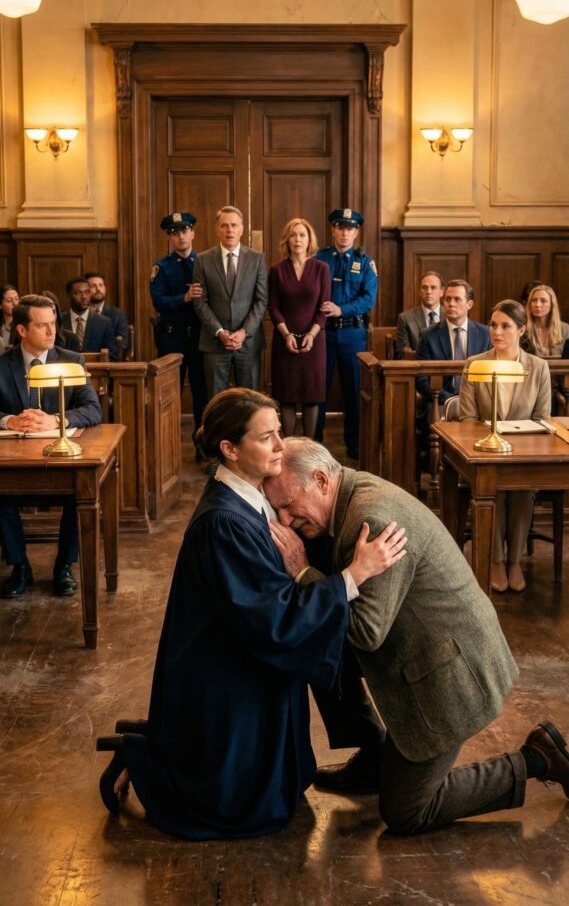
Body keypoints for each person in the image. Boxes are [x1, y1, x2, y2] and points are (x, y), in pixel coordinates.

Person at [94, 388, 404, 839]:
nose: (281, 445)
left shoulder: (252, 498)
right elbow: (272, 620)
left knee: (284, 785)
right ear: (230, 449)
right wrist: (352, 577)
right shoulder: (223, 522)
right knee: (243, 809)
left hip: (245, 653)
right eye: (266, 437)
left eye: (279, 432)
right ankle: (141, 760)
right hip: (227, 674)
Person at [264, 438, 569, 835]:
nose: (285, 521)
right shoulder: (347, 496)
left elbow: (365, 632)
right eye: (277, 510)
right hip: (429, 650)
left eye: (288, 505)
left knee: (406, 810)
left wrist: (302, 571)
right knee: (313, 640)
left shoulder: (369, 519)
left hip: (451, 673)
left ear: (321, 480)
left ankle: (537, 758)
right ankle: (375, 757)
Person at [0, 295, 102, 599]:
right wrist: (9, 421)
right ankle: (20, 567)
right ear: (21, 330)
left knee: (80, 493)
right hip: (15, 460)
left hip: (61, 458)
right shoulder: (2, 364)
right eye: (42, 325)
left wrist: (55, 419)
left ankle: (63, 567)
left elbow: (93, 410)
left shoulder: (72, 361)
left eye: (53, 323)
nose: (51, 331)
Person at [459, 300, 551, 593]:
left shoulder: (538, 367)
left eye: (505, 326)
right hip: (484, 453)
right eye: (493, 325)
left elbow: (542, 419)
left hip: (523, 455)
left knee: (523, 491)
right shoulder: (475, 364)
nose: (497, 332)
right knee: (493, 489)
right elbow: (467, 419)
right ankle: (496, 560)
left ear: (521, 330)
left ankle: (515, 561)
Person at [315, 208, 378, 460]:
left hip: (353, 333)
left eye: (349, 228)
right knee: (318, 390)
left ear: (356, 233)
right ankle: (315, 443)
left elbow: (368, 299)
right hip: (323, 333)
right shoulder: (320, 258)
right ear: (333, 230)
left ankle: (354, 445)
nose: (344, 233)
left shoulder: (365, 262)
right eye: (340, 227)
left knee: (354, 392)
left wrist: (342, 309)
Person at [193, 206, 268, 398]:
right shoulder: (202, 260)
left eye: (234, 225)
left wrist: (244, 332)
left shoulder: (257, 259)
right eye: (224, 225)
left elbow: (261, 301)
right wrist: (219, 332)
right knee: (216, 400)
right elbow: (200, 302)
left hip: (248, 343)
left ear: (242, 229)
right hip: (215, 343)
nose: (229, 230)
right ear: (217, 230)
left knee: (249, 400)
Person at [149, 212, 207, 454]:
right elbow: (158, 301)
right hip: (171, 338)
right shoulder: (161, 267)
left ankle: (203, 447)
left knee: (202, 393)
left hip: (200, 337)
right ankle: (167, 448)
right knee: (169, 393)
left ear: (192, 233)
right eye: (175, 233)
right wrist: (184, 298)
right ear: (169, 238)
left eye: (185, 231)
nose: (181, 237)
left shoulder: (204, 262)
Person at [268, 217, 330, 438]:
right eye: (293, 235)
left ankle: (308, 448)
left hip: (314, 341)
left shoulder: (322, 268)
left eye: (302, 235)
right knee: (287, 398)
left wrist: (311, 335)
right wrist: (286, 334)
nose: (297, 239)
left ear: (309, 240)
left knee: (311, 397)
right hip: (285, 341)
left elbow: (324, 308)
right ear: (287, 239)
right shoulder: (277, 270)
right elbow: (273, 306)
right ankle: (288, 448)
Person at [416, 278, 492, 410]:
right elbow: (421, 380)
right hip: (440, 402)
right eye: (448, 299)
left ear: (469, 304)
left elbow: (490, 374)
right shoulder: (428, 335)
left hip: (477, 402)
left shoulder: (485, 334)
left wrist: (471, 400)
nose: (451, 304)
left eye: (457, 299)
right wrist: (451, 400)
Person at [61, 277, 117, 361]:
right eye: (78, 293)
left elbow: (111, 356)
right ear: (68, 295)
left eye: (87, 292)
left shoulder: (104, 322)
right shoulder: (59, 320)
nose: (84, 297)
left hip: (97, 368)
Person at [395, 271, 445, 357]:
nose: (428, 291)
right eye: (424, 287)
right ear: (420, 292)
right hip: (418, 363)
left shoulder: (450, 316)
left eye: (433, 287)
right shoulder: (405, 318)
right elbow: (403, 353)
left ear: (442, 292)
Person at [85, 272, 129, 357]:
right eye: (93, 286)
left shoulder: (118, 315)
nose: (98, 289)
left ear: (105, 288)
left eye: (101, 285)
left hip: (109, 360)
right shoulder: (81, 313)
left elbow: (123, 344)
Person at [524, 284, 569, 358]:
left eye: (543, 301)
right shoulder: (522, 329)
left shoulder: (565, 329)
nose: (537, 305)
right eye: (534, 300)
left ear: (552, 305)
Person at [0, 283, 18, 352]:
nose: (15, 303)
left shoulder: (23, 323)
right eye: (9, 300)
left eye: (17, 299)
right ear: (0, 305)